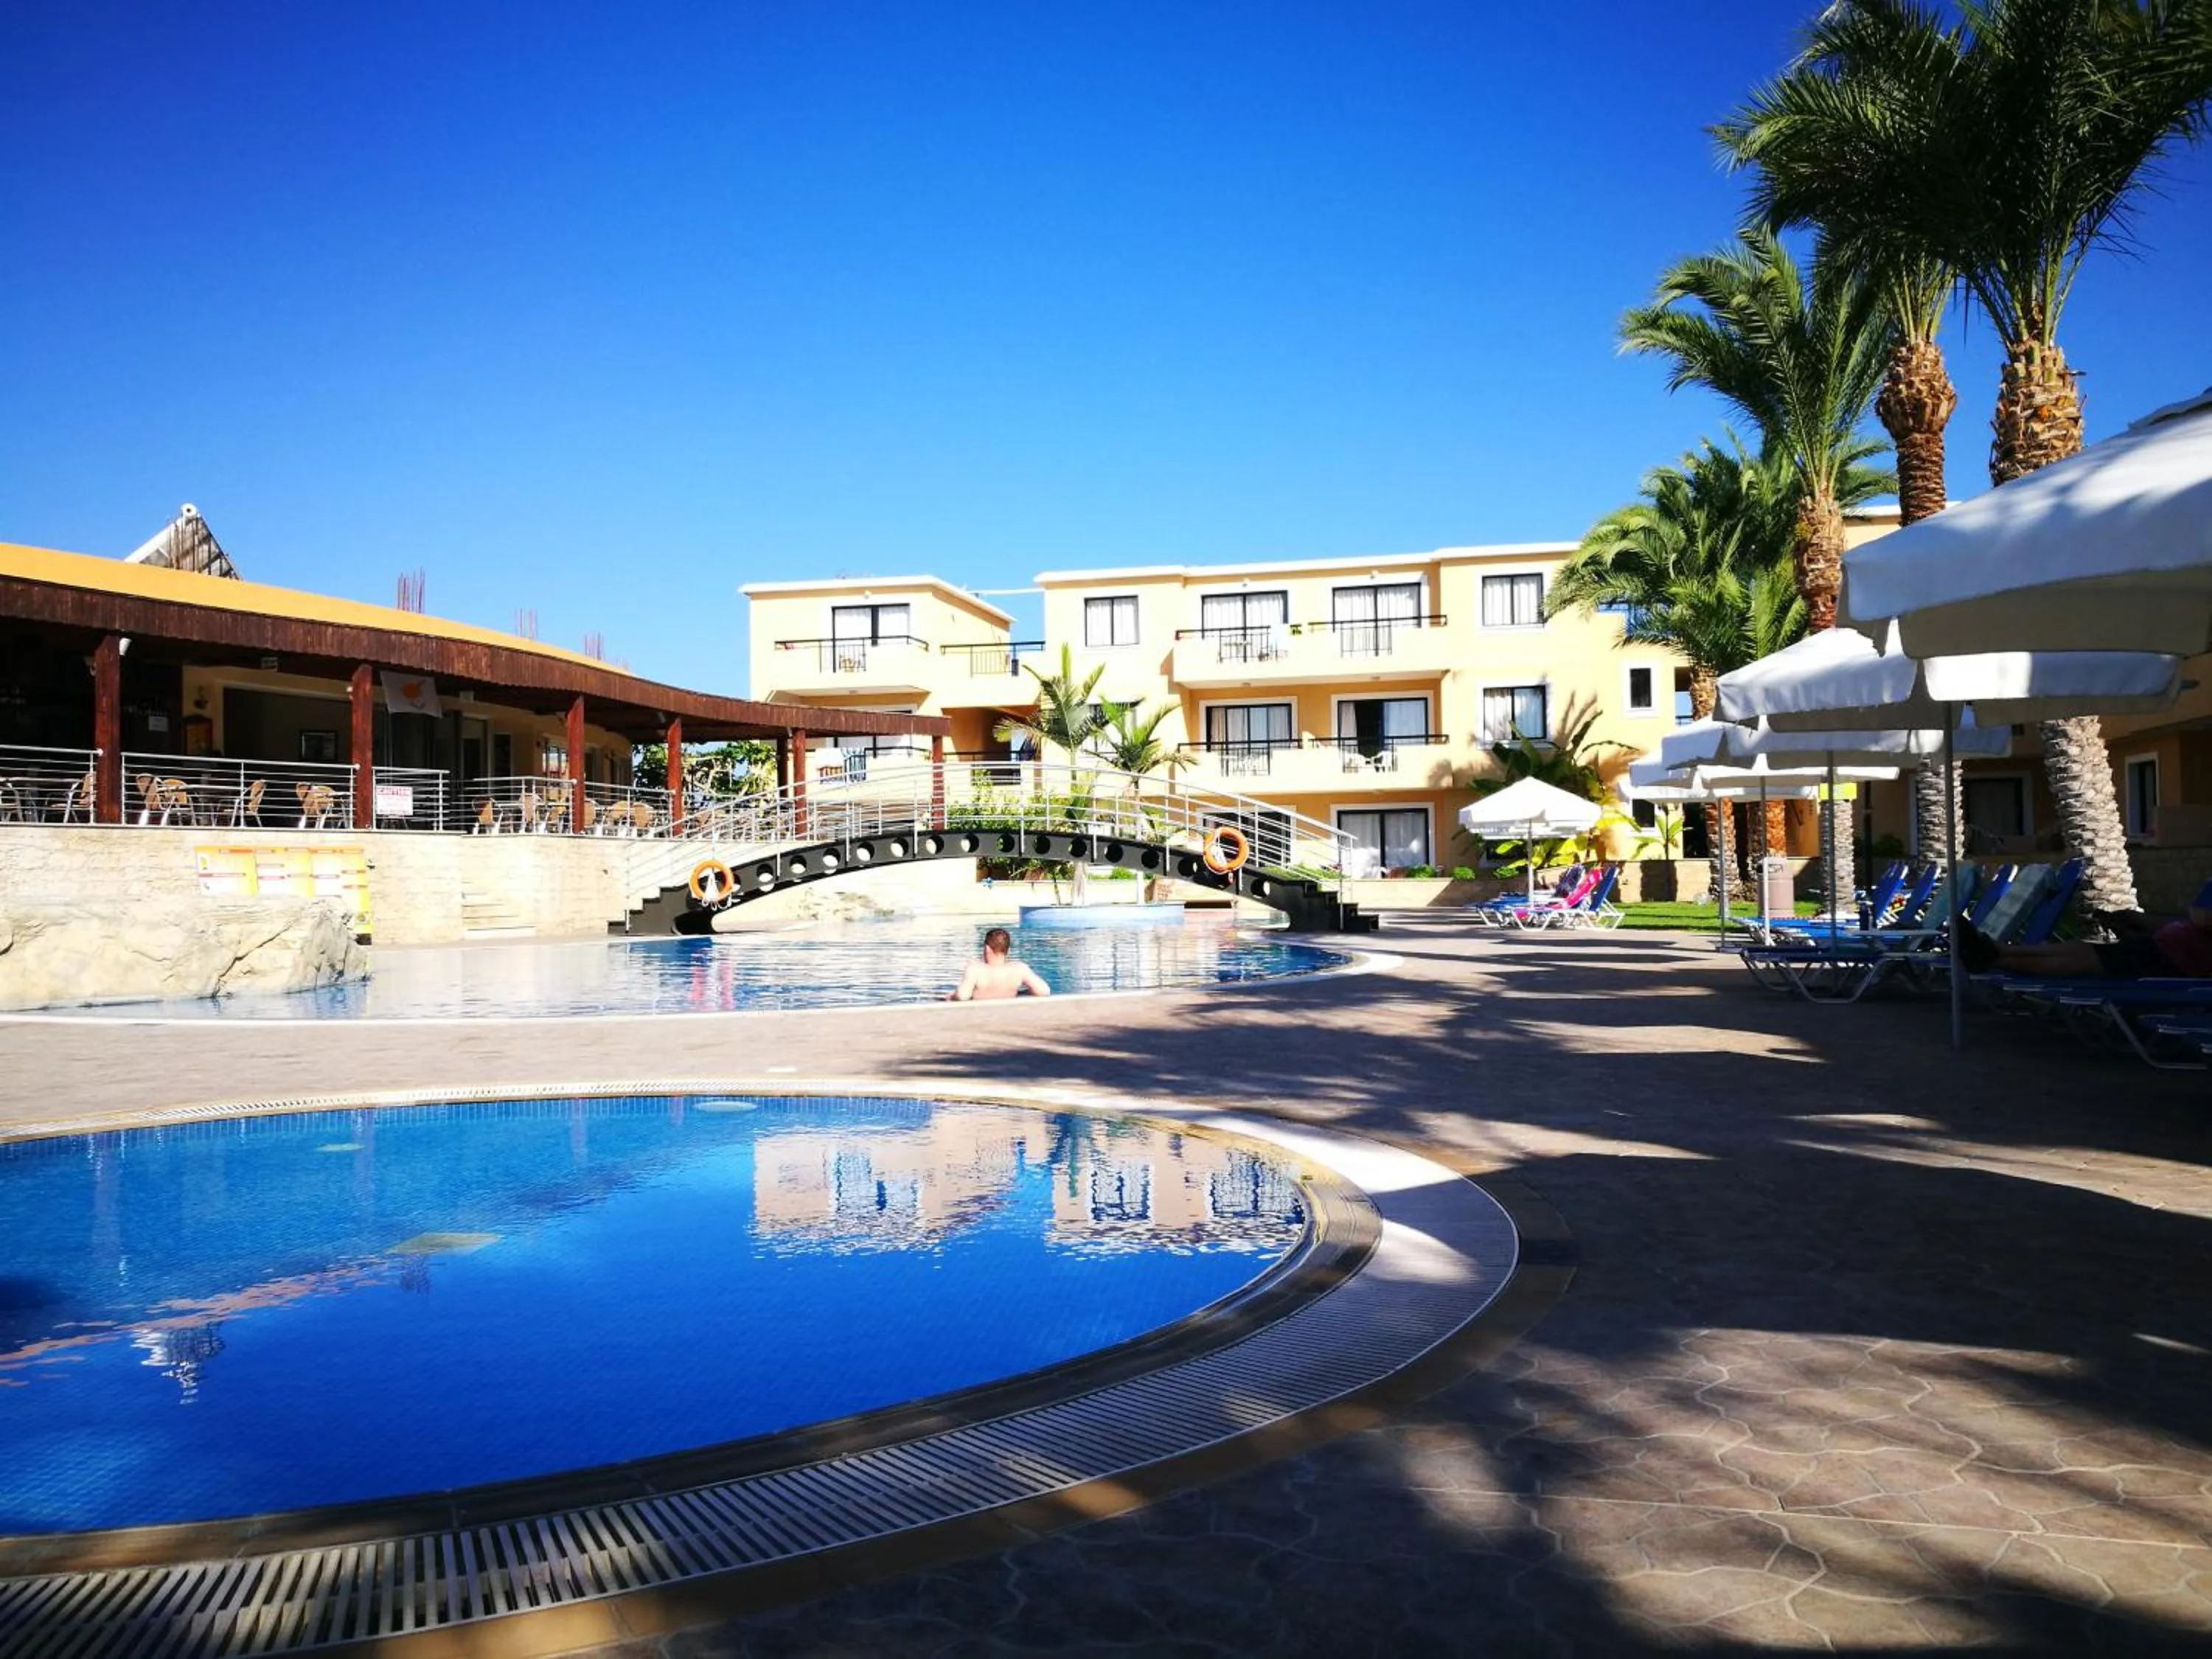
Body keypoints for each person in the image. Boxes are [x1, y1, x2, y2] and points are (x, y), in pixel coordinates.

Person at [1960, 877, 2212, 978]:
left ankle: (1996, 959)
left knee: (2081, 961)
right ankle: (1999, 950)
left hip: (2174, 961)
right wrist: (2145, 922)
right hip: (2163, 948)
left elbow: (2201, 918)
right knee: (2083, 951)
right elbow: (2193, 922)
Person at [951, 927, 1053, 1001]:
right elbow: (1044, 991)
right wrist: (1020, 993)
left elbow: (963, 996)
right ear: (1008, 950)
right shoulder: (1019, 969)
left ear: (987, 948)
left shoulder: (975, 969)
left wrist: (952, 996)